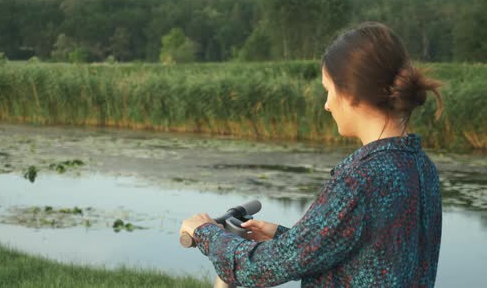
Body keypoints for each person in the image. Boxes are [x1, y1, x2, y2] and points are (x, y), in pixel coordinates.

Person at [180, 22, 443, 287]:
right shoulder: (421, 166)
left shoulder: (361, 179)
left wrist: (206, 233)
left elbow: (258, 269)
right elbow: (368, 252)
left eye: (328, 90)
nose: (327, 105)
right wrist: (282, 237)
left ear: (350, 94)